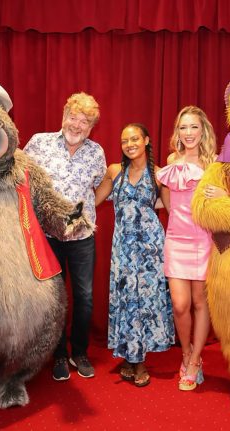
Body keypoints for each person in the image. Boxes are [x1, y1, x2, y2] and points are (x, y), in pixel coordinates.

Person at [23, 92, 106, 381]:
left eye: (85, 121)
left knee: (85, 297)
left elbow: (99, 187)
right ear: (63, 116)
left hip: (82, 237)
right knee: (55, 298)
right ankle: (58, 354)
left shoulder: (96, 153)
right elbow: (20, 179)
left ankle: (79, 352)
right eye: (73, 117)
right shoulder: (39, 143)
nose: (77, 125)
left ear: (91, 127)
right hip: (47, 236)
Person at [95, 123, 175, 387]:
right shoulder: (115, 171)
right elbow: (94, 199)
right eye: (124, 141)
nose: (129, 144)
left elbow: (171, 207)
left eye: (134, 139)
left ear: (146, 140)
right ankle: (129, 355)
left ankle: (139, 360)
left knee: (145, 300)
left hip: (150, 247)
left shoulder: (159, 173)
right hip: (123, 247)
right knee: (127, 298)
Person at [156, 106, 221, 391]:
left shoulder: (215, 163)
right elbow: (167, 196)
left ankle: (194, 361)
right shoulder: (172, 159)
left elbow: (227, 200)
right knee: (180, 305)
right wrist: (177, 223)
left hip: (204, 239)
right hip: (177, 238)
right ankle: (184, 352)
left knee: (199, 302)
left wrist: (221, 193)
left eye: (194, 127)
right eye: (183, 127)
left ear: (203, 130)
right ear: (177, 132)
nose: (189, 133)